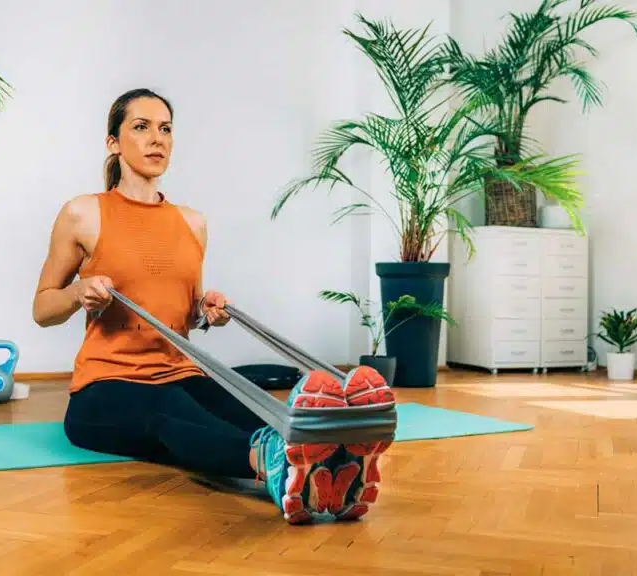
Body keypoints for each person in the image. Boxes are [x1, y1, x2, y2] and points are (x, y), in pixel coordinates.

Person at [31, 88, 395, 524]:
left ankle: (337, 467)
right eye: (141, 127)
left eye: (165, 129)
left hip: (181, 372)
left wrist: (207, 311)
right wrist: (77, 292)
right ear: (114, 142)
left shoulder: (191, 223)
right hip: (106, 387)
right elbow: (42, 306)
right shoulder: (83, 213)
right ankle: (273, 467)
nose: (157, 139)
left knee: (252, 411)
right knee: (169, 415)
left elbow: (183, 314)